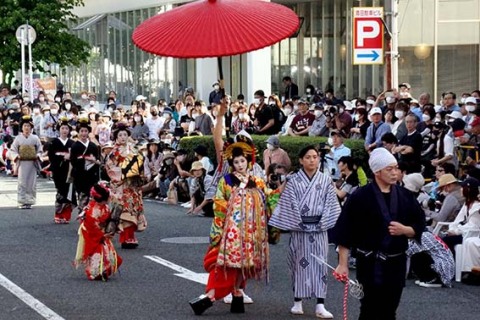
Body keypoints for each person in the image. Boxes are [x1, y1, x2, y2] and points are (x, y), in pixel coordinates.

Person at [189, 142, 281, 315]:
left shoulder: (257, 181)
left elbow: (268, 198)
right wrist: (233, 209)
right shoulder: (227, 181)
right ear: (232, 164)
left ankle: (237, 290)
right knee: (227, 263)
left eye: (242, 161)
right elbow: (219, 202)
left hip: (251, 231)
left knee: (245, 263)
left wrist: (278, 192)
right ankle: (213, 294)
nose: (239, 165)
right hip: (232, 230)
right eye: (236, 162)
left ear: (248, 161)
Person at [333, 147, 425, 320]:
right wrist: (343, 264)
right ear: (377, 172)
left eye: (396, 168)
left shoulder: (405, 195)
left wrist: (405, 230)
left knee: (390, 309)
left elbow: (420, 224)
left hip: (396, 261)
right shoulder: (360, 196)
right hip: (369, 261)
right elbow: (345, 231)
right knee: (369, 309)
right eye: (389, 169)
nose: (394, 173)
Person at [269, 145, 341, 318]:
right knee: (299, 263)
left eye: (315, 157)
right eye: (308, 157)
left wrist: (322, 222)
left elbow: (331, 203)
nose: (312, 160)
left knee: (320, 264)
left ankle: (320, 304)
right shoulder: (293, 180)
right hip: (299, 228)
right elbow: (288, 202)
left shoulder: (325, 180)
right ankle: (297, 302)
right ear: (301, 160)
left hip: (319, 228)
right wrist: (297, 222)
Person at [106, 124, 147, 249]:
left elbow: (140, 164)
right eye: (120, 135)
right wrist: (123, 173)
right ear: (116, 137)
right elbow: (110, 167)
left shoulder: (134, 150)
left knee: (134, 208)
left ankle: (131, 236)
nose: (123, 137)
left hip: (133, 184)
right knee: (124, 210)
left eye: (125, 135)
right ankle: (126, 237)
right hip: (121, 185)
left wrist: (139, 173)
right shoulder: (114, 152)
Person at [74, 182, 122, 281]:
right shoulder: (91, 211)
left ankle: (104, 270)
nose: (107, 201)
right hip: (91, 233)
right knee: (96, 252)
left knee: (106, 251)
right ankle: (95, 272)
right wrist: (102, 235)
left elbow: (109, 219)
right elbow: (91, 226)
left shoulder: (104, 207)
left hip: (101, 231)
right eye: (105, 200)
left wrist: (115, 226)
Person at [9, 116, 43, 209]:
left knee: (31, 182)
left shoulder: (35, 138)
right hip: (22, 163)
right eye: (25, 126)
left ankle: (30, 201)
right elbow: (13, 150)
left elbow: (40, 150)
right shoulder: (18, 138)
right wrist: (16, 156)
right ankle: (22, 201)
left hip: (32, 162)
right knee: (22, 182)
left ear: (31, 127)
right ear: (22, 127)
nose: (26, 128)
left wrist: (38, 155)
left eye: (28, 126)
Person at [70, 118, 101, 217]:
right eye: (81, 131)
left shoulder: (93, 146)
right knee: (83, 196)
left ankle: (91, 216)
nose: (83, 133)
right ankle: (83, 216)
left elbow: (98, 160)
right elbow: (73, 162)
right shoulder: (75, 146)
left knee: (92, 196)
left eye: (86, 131)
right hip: (80, 176)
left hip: (92, 175)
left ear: (88, 132)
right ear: (78, 132)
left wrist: (94, 161)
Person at [48, 118, 76, 223]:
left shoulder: (72, 143)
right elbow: (51, 156)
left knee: (70, 192)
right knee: (60, 192)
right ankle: (58, 213)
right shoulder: (54, 142)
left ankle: (66, 215)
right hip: (58, 170)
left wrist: (70, 157)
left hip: (70, 171)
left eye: (66, 128)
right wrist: (63, 157)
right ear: (59, 130)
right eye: (62, 128)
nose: (64, 130)